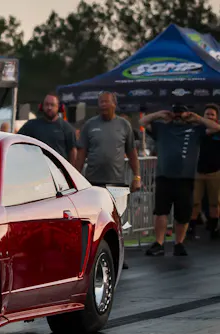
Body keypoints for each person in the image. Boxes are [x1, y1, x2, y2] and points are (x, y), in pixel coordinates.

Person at [140, 106, 220, 256]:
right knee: (161, 212)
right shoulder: (162, 128)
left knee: (183, 214)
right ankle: (159, 243)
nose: (177, 116)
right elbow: (142, 121)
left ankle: (179, 243)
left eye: (180, 113)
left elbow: (216, 128)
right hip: (164, 176)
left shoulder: (195, 130)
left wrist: (197, 118)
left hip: (185, 177)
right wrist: (160, 114)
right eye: (175, 113)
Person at [76, 91, 141, 269]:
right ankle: (92, 257)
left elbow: (132, 153)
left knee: (118, 222)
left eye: (106, 102)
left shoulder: (124, 125)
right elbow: (81, 154)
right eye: (100, 102)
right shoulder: (90, 125)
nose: (103, 105)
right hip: (93, 183)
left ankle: (119, 257)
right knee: (94, 222)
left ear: (114, 104)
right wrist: (74, 177)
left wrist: (137, 177)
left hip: (117, 183)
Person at [189, 104, 220, 239]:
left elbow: (216, 128)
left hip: (215, 172)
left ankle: (214, 228)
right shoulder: (199, 129)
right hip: (198, 171)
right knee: (195, 202)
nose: (210, 116)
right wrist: (200, 120)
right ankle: (191, 228)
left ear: (217, 117)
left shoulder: (218, 128)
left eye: (212, 114)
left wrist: (200, 118)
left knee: (215, 203)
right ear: (204, 115)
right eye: (207, 114)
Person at [18, 93, 77, 163]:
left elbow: (73, 151)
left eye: (52, 105)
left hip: (58, 168)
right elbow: (18, 141)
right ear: (42, 106)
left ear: (58, 107)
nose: (49, 107)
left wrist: (71, 169)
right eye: (46, 104)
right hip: (36, 167)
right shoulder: (31, 125)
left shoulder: (67, 128)